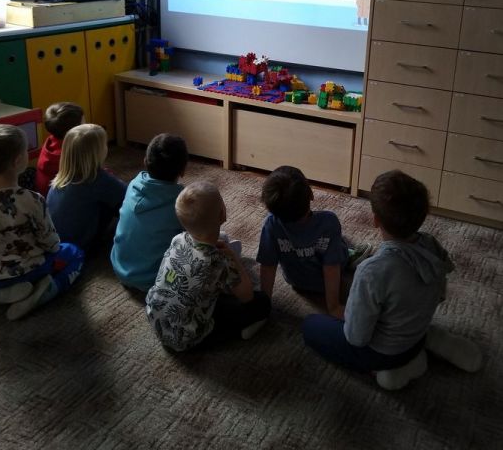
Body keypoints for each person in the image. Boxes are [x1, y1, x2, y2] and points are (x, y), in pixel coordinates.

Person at [303, 170, 455, 390]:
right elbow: (440, 293)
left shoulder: (372, 270)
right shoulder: (431, 244)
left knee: (310, 325)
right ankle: (426, 346)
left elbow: (356, 337)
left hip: (384, 353)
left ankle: (384, 370)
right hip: (417, 334)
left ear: (375, 220)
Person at [146, 181, 271, 351]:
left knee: (205, 291)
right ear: (222, 214)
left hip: (157, 321)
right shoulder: (220, 261)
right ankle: (235, 332)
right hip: (187, 340)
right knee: (262, 302)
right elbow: (247, 295)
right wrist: (234, 258)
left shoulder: (178, 239)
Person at [0, 124, 84, 320]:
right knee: (75, 253)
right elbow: (50, 243)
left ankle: (0, 291)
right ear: (18, 160)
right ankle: (46, 291)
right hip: (29, 271)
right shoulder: (32, 200)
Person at [256, 165, 350, 318]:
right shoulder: (329, 222)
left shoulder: (271, 224)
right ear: (311, 195)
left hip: (295, 280)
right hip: (322, 283)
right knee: (340, 245)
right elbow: (332, 267)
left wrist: (264, 305)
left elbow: (268, 265)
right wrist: (333, 307)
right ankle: (351, 253)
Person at [110, 133, 188, 292]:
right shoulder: (182, 201)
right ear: (183, 170)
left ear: (145, 161)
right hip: (155, 279)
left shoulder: (134, 183)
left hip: (120, 267)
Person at [47, 124, 127, 251]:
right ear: (98, 152)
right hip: (80, 247)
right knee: (123, 204)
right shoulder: (96, 179)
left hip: (55, 241)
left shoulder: (62, 176)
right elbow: (128, 195)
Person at [35, 102, 84, 197]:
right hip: (61, 199)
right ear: (75, 130)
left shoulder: (51, 140)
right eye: (83, 122)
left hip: (45, 195)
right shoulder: (70, 155)